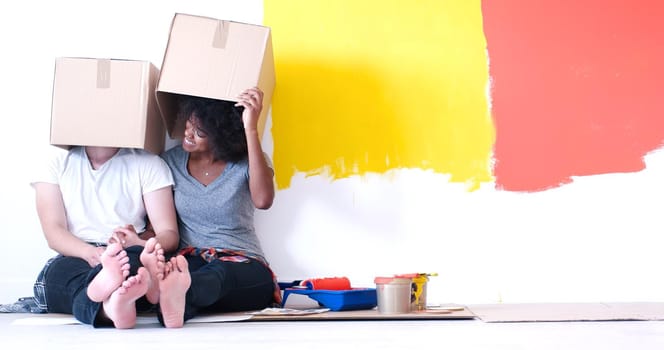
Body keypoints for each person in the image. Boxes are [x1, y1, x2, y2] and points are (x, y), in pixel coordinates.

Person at [158, 87, 278, 328]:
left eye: (200, 131)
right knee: (190, 275)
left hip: (242, 262)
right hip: (190, 260)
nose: (188, 134)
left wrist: (250, 128)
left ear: (222, 136)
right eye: (189, 124)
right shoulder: (169, 162)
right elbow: (159, 223)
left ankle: (175, 296)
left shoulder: (249, 161)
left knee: (219, 275)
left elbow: (263, 200)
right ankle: (174, 302)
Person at [32, 145, 179, 328]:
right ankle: (114, 303)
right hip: (78, 252)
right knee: (56, 275)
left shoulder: (149, 163)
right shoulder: (55, 160)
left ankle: (110, 303)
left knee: (133, 269)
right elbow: (54, 232)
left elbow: (169, 234)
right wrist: (90, 253)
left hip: (127, 251)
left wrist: (140, 242)